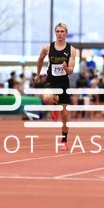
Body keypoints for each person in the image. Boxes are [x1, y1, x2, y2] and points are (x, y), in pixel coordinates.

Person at [35, 22, 76, 152]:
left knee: (64, 114)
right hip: (51, 80)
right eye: (57, 31)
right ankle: (54, 103)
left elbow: (71, 71)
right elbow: (40, 59)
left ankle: (64, 140)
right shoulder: (48, 48)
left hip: (63, 83)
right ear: (55, 33)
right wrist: (37, 74)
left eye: (62, 32)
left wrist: (66, 68)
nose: (59, 34)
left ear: (66, 33)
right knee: (46, 98)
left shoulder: (71, 50)